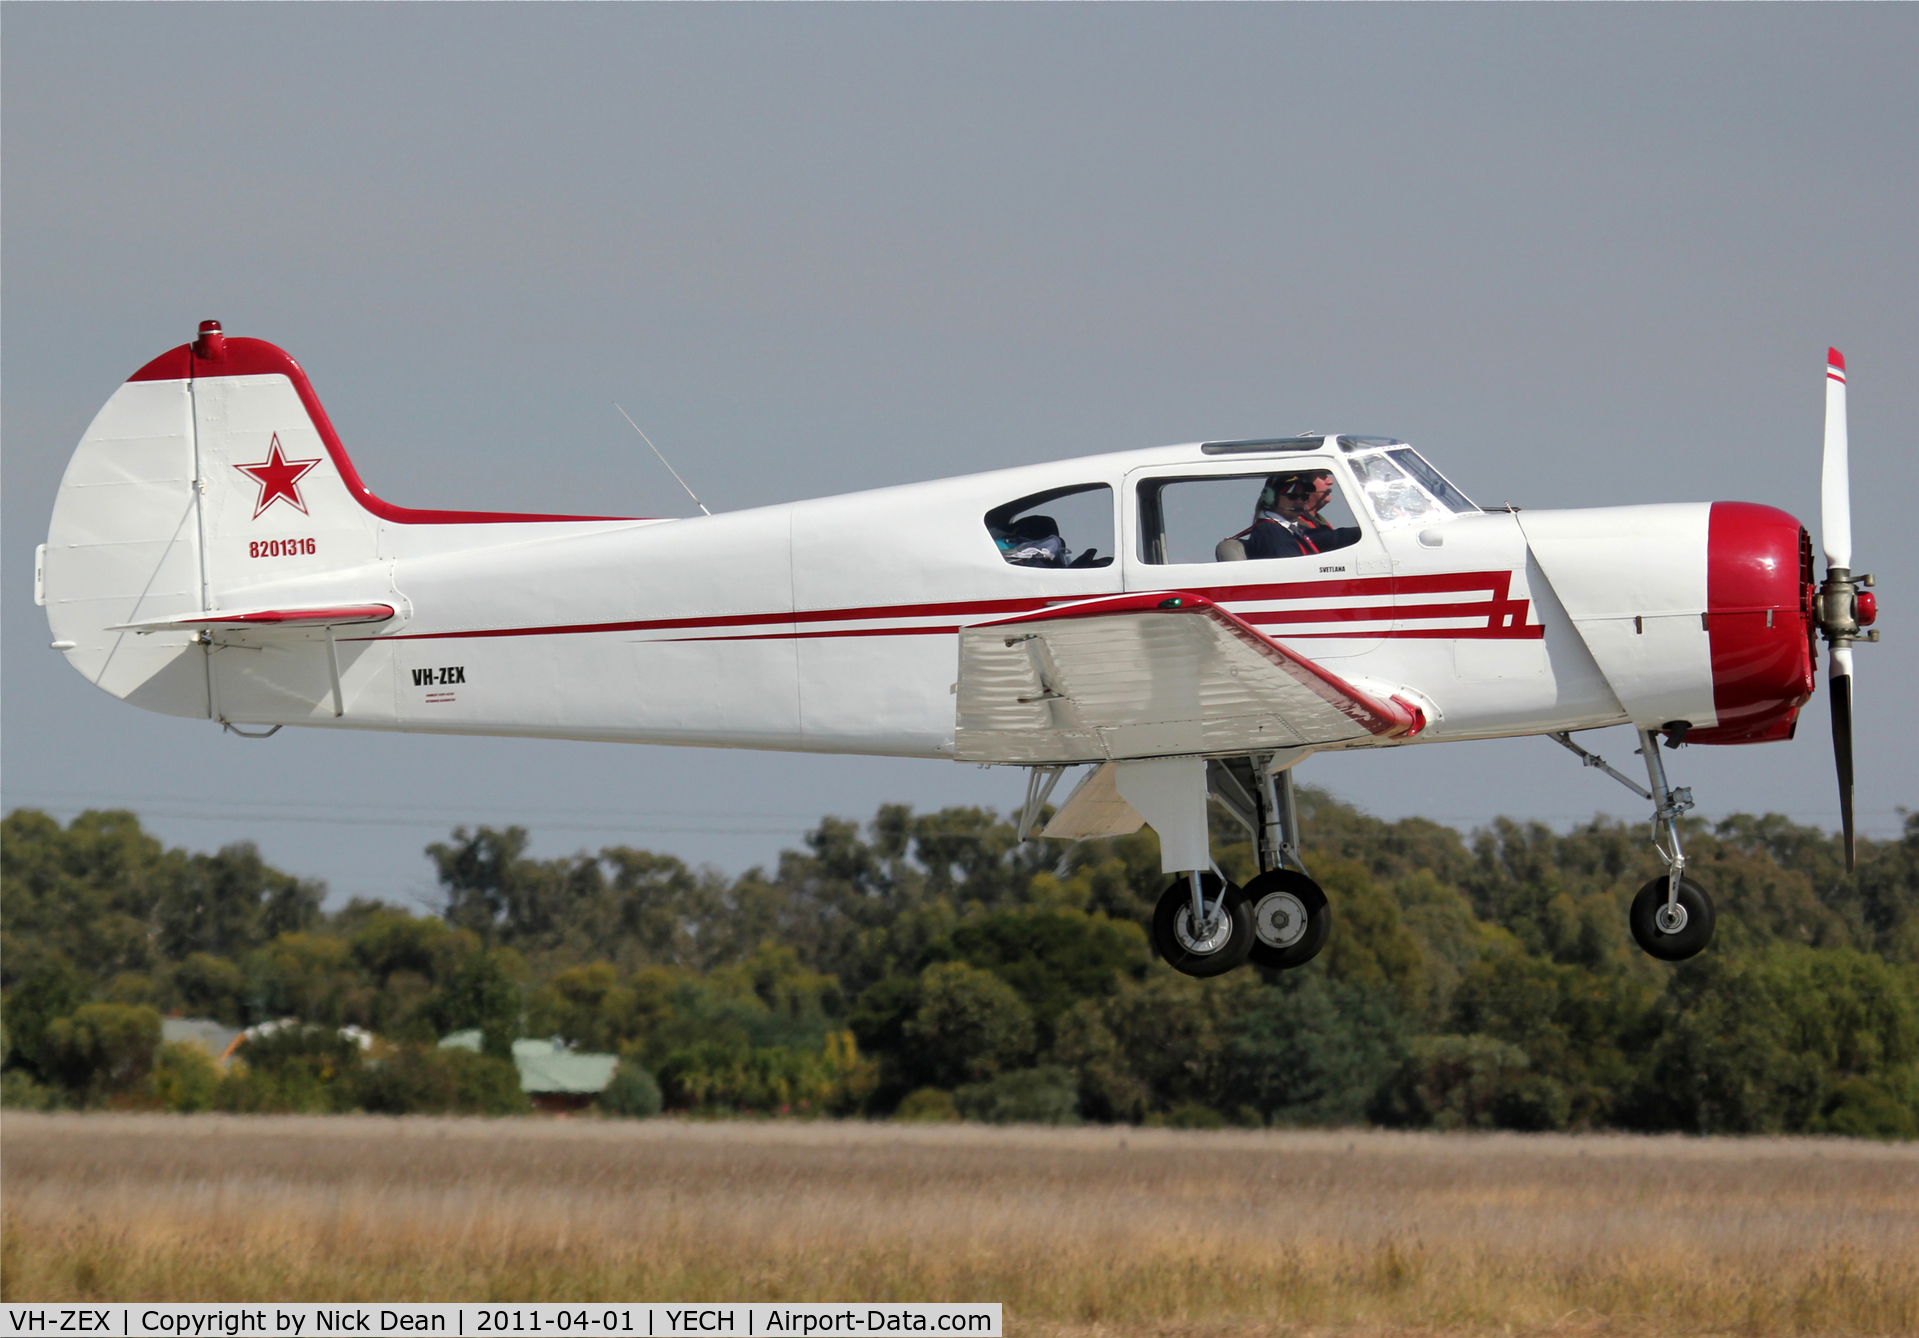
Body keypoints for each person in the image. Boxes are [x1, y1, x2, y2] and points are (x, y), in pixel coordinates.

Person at [1232, 470, 1356, 560]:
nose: (1300, 501)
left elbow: (1335, 538)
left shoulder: (1294, 530)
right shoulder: (1270, 531)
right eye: (1293, 495)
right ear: (1271, 498)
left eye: (1304, 496)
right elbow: (1293, 569)